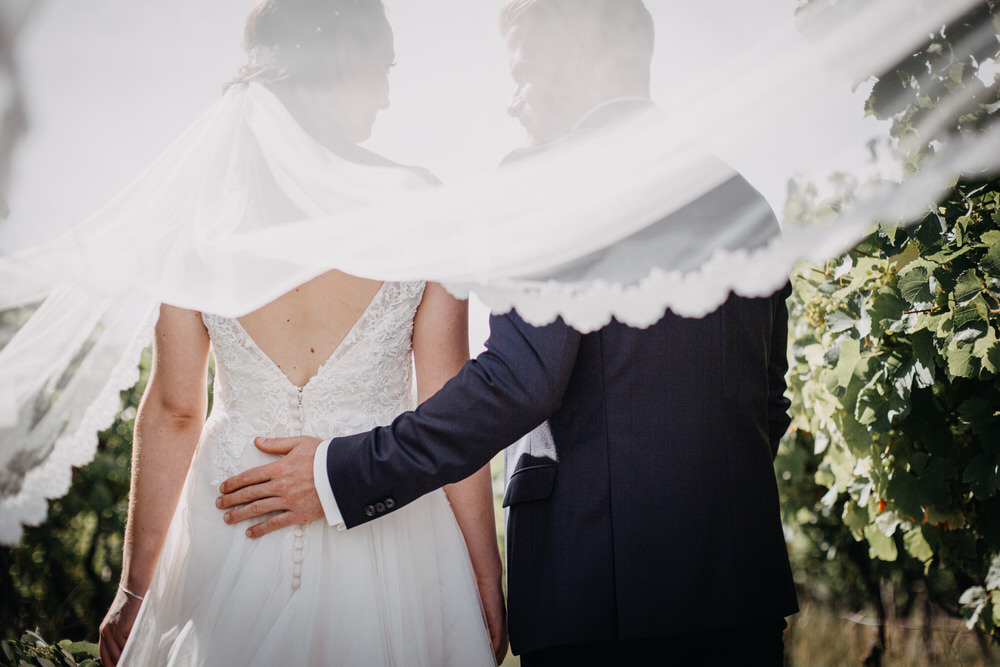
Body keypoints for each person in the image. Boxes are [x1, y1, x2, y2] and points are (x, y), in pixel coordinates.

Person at [218, 0, 799, 664]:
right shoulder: (744, 199)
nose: (512, 102)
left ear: (581, 45)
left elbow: (521, 381)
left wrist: (340, 472)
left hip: (593, 596)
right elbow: (767, 404)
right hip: (742, 599)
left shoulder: (548, 176)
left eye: (521, 65)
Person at [97, 1, 505, 665]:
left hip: (234, 531)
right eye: (385, 66)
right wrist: (485, 574)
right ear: (347, 56)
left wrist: (135, 588)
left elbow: (174, 412)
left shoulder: (204, 214)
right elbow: (447, 408)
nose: (389, 92)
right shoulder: (422, 206)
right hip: (391, 532)